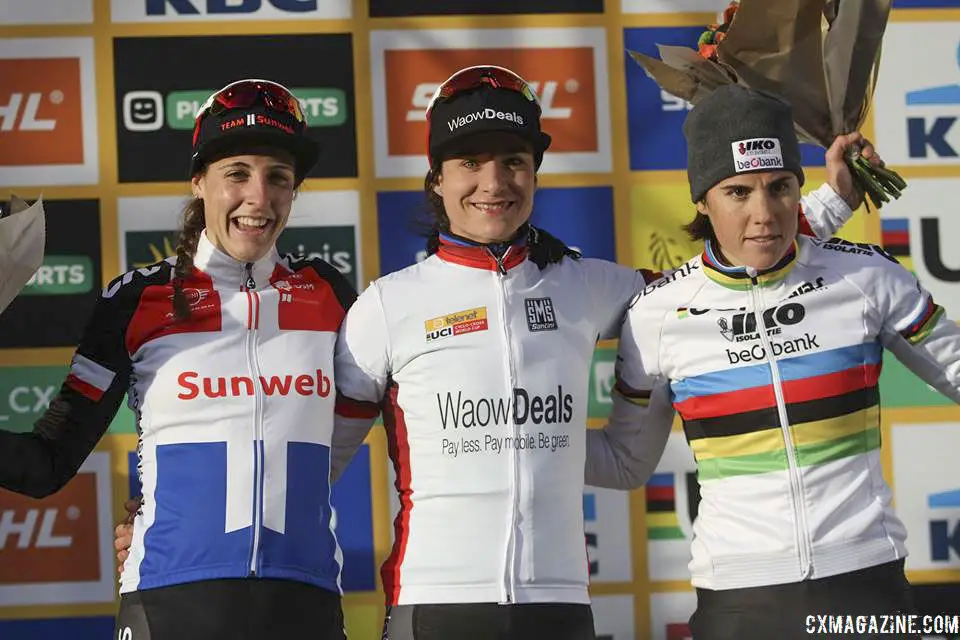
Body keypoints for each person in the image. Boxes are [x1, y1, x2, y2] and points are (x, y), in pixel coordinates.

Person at [115, 65, 877, 639]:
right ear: (437, 181)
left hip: (559, 605)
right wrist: (155, 520)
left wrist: (830, 200)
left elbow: (718, 274)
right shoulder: (386, 305)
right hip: (432, 607)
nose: (494, 183)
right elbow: (305, 455)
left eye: (513, 160)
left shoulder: (586, 284)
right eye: (471, 163)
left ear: (535, 174)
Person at [0, 78, 378, 640]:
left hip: (304, 601)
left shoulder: (329, 292)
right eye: (237, 174)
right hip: (171, 603)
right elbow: (47, 463)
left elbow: (381, 408)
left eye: (279, 178)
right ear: (199, 181)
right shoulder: (136, 299)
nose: (259, 197)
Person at [609, 84, 960, 640]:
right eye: (737, 192)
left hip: (864, 581)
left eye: (780, 187)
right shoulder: (658, 314)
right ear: (701, 199)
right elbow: (624, 462)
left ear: (800, 187)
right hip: (741, 600)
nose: (764, 212)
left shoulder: (865, 277)